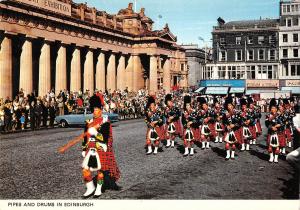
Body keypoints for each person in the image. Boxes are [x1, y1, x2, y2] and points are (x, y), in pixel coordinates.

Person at [81, 94, 121, 198]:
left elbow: (105, 137)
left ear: (101, 110)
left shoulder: (105, 123)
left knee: (100, 170)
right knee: (85, 169)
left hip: (100, 148)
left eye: (97, 109)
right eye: (93, 109)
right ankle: (90, 188)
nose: (95, 111)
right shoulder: (88, 122)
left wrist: (95, 132)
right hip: (90, 149)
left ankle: (98, 188)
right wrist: (84, 148)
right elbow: (84, 138)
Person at [265, 99, 284, 163]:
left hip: (278, 133)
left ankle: (276, 158)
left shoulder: (280, 116)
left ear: (276, 109)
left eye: (274, 108)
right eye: (272, 108)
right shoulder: (268, 116)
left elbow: (282, 123)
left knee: (277, 147)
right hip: (271, 132)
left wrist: (277, 126)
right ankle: (271, 157)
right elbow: (267, 123)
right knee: (270, 147)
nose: (272, 109)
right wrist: (271, 127)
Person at [223, 96, 242, 160]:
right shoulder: (225, 113)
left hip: (234, 130)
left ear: (232, 105)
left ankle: (232, 155)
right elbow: (223, 122)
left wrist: (234, 125)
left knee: (233, 145)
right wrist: (226, 126)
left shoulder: (237, 113)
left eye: (230, 105)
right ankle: (228, 155)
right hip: (228, 131)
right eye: (228, 105)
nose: (229, 107)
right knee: (227, 144)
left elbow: (240, 122)